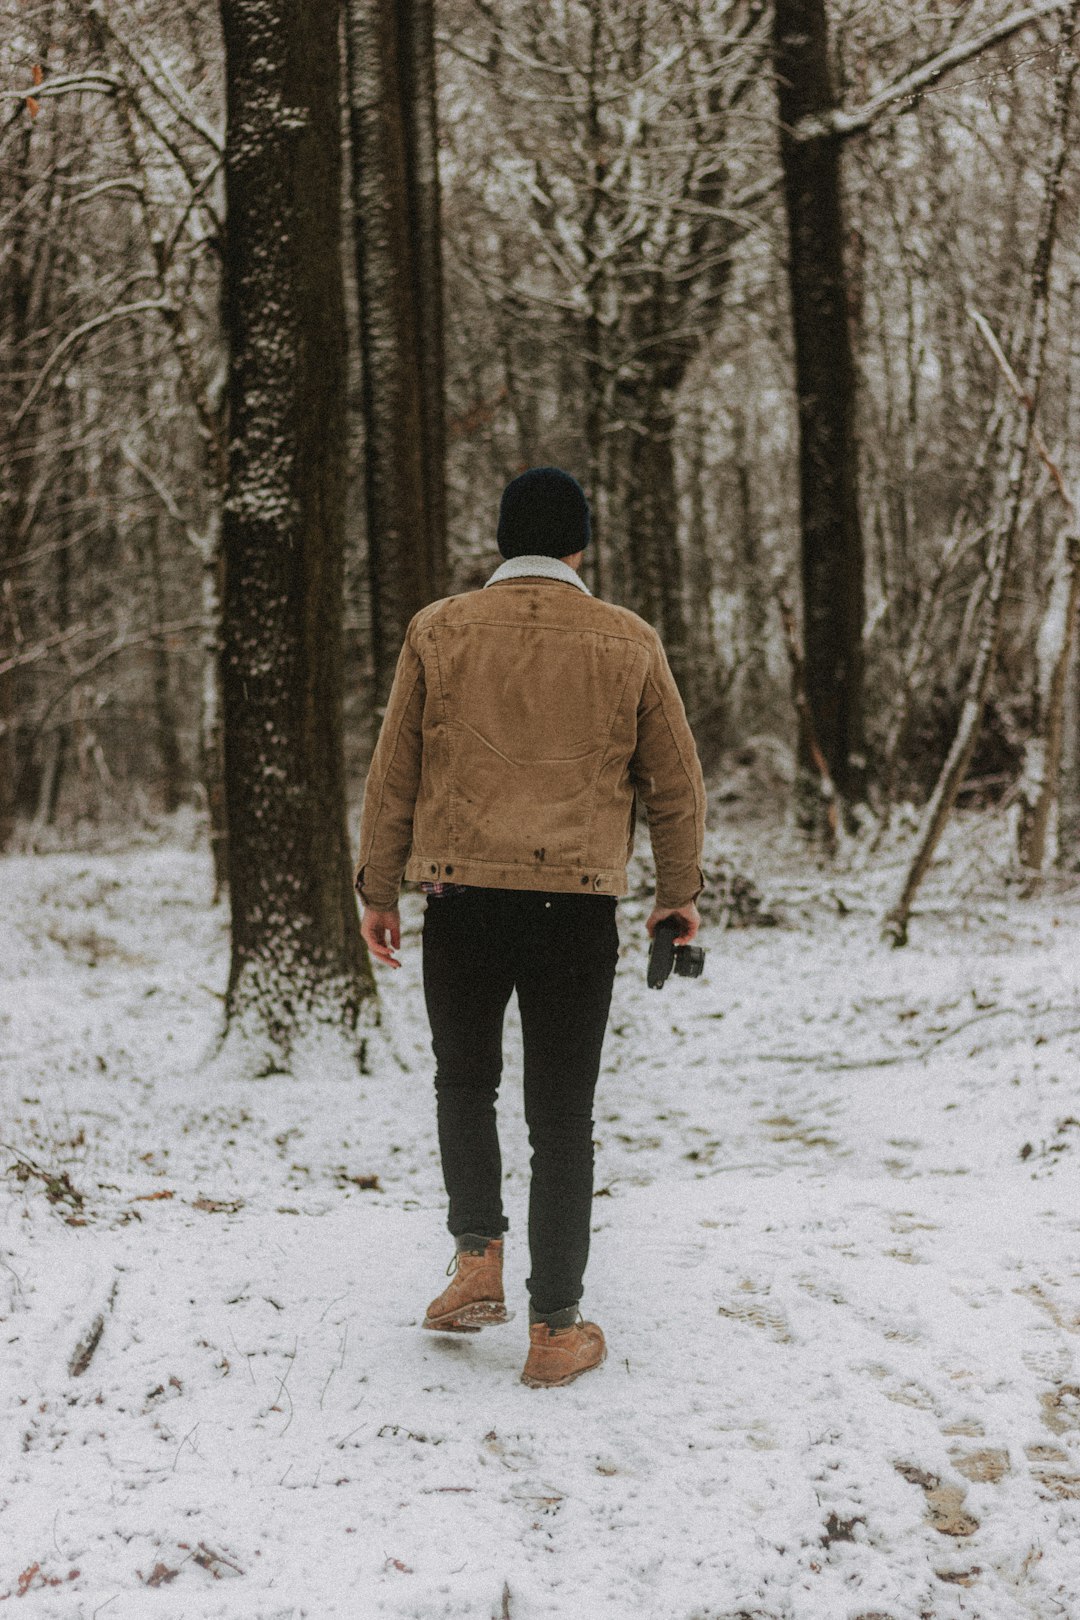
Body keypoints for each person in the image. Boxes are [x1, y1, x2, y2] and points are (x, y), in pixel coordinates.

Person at [354, 466, 706, 1388]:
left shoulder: (439, 629)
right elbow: (675, 786)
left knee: (462, 1083)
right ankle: (556, 1329)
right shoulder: (628, 642)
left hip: (461, 898)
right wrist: (678, 892)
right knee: (563, 1115)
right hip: (577, 909)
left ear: (505, 542)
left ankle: (477, 1259)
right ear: (581, 544)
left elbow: (394, 771)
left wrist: (378, 887)